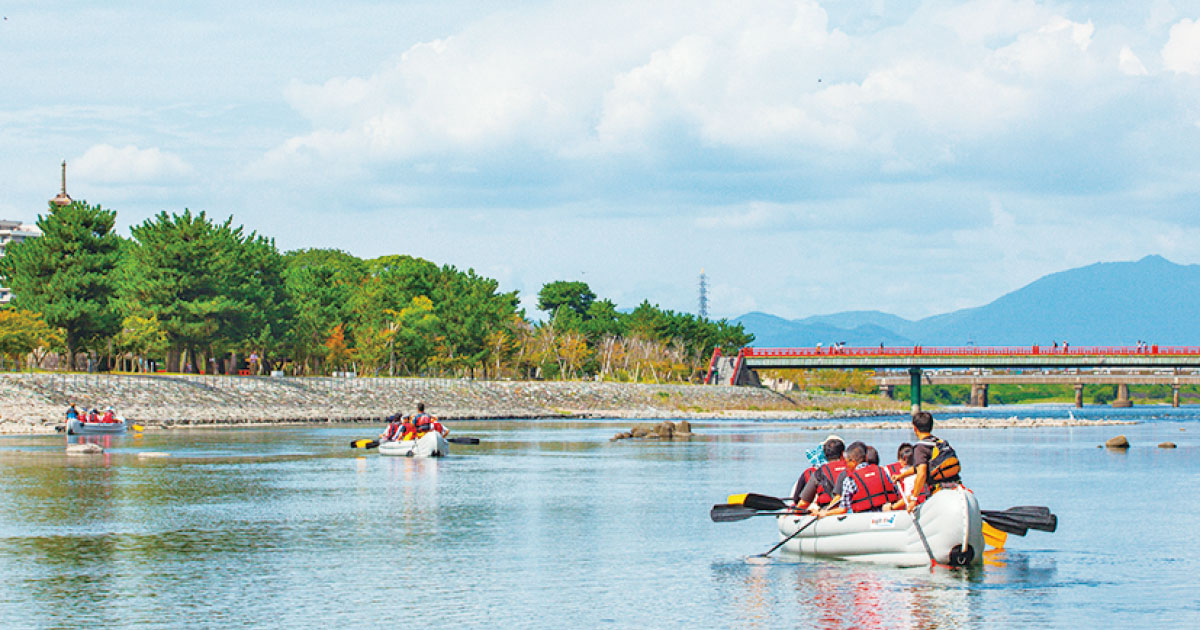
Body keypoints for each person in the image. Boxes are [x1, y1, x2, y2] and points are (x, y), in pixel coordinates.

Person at [892, 412, 962, 512]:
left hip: (939, 491)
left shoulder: (920, 447)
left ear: (915, 428)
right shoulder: (940, 443)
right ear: (931, 426)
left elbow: (921, 474)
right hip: (956, 487)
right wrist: (901, 476)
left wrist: (913, 500)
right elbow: (920, 467)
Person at [820, 442, 904, 516]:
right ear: (866, 458)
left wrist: (825, 513)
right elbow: (896, 493)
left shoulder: (850, 480)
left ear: (853, 462)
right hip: (885, 514)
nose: (846, 465)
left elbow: (843, 509)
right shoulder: (883, 471)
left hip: (863, 518)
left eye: (847, 462)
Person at [790, 436, 847, 513]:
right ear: (843, 453)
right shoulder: (855, 468)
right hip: (854, 512)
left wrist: (797, 511)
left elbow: (802, 503)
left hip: (826, 512)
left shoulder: (818, 473)